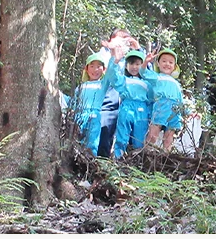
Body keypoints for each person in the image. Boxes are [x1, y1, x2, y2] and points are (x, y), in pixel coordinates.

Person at [95, 29, 145, 157]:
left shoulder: (130, 59)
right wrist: (112, 51)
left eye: (125, 40)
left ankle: (130, 166)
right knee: (104, 135)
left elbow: (146, 72)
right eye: (120, 39)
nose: (122, 44)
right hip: (108, 101)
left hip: (131, 105)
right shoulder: (103, 55)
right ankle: (102, 165)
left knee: (134, 138)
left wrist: (137, 48)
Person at [61, 53, 117, 155]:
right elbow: (73, 102)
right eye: (92, 66)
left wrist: (114, 56)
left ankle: (91, 160)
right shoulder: (81, 86)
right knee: (77, 139)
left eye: (98, 66)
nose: (95, 70)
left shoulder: (103, 84)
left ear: (103, 69)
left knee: (92, 141)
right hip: (80, 115)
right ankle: (75, 158)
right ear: (86, 69)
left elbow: (111, 73)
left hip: (95, 115)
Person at [141, 48, 194, 152]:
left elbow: (181, 101)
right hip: (162, 105)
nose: (167, 64)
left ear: (174, 67)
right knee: (153, 134)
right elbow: (143, 73)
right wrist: (146, 62)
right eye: (164, 61)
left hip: (175, 109)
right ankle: (146, 153)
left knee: (169, 137)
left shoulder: (177, 84)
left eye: (170, 62)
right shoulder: (157, 77)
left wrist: (189, 112)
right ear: (158, 64)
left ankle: (166, 157)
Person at [111, 50, 152, 158]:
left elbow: (151, 99)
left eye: (138, 64)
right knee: (122, 133)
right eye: (131, 63)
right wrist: (115, 61)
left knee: (139, 136)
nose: (134, 67)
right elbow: (113, 77)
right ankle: (118, 157)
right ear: (126, 66)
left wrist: (151, 114)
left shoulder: (147, 83)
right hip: (126, 106)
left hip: (142, 109)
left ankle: (137, 161)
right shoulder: (123, 80)